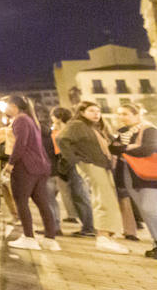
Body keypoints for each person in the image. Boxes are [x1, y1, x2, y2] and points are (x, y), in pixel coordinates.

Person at [58, 101, 129, 254]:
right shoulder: (77, 124)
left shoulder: (94, 127)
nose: (96, 114)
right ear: (82, 112)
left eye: (98, 111)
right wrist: (76, 160)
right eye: (91, 111)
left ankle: (109, 236)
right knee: (103, 199)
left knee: (109, 199)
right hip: (92, 165)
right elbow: (61, 139)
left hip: (103, 165)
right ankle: (103, 237)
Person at [4, 95, 61, 251]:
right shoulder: (30, 119)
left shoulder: (20, 119)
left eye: (7, 105)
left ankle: (29, 237)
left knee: (21, 201)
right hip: (39, 166)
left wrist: (11, 163)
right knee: (42, 202)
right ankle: (50, 238)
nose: (5, 108)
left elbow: (20, 144)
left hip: (26, 166)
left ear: (14, 106)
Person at [110, 102, 157, 259]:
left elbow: (148, 149)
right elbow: (112, 148)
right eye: (119, 113)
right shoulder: (123, 131)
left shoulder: (149, 129)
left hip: (148, 175)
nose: (121, 117)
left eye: (125, 114)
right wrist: (128, 148)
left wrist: (124, 148)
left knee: (150, 208)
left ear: (136, 115)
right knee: (145, 211)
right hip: (128, 174)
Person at [49, 107, 94, 238]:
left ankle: (89, 228)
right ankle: (87, 227)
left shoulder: (70, 128)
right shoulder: (66, 128)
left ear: (58, 117)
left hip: (75, 165)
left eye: (53, 117)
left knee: (81, 195)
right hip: (71, 165)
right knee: (77, 196)